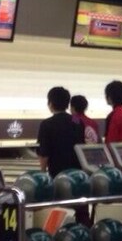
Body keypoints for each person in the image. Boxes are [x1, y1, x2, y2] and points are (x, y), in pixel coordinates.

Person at [37, 86, 88, 224]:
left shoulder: (46, 124)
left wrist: (42, 175)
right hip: (78, 176)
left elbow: (44, 154)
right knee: (82, 213)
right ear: (67, 104)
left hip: (58, 176)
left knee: (63, 213)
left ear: (50, 104)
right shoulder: (77, 121)